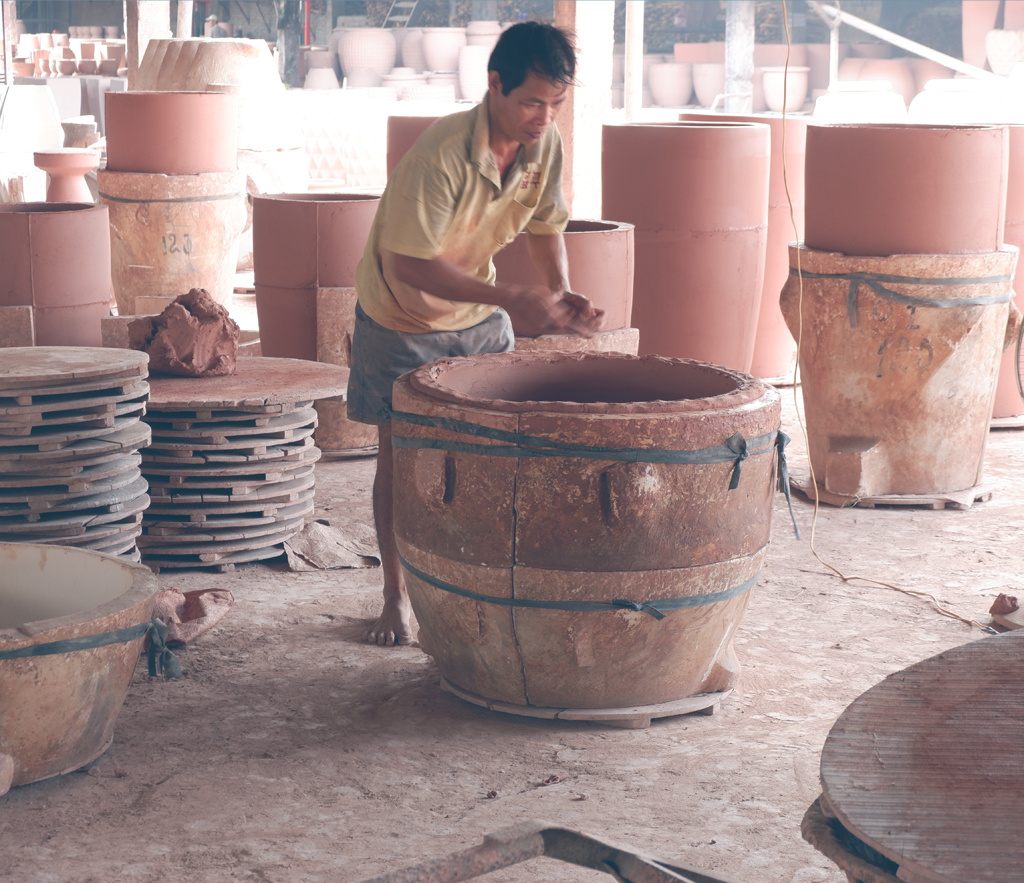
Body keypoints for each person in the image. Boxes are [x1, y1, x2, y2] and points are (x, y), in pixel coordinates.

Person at [346, 21, 603, 647]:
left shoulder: (543, 144)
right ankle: (394, 597)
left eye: (556, 103)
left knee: (496, 453)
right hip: (400, 317)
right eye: (532, 102)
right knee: (399, 457)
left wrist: (561, 290)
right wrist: (510, 296)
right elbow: (409, 263)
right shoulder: (440, 157)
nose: (544, 117)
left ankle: (484, 588)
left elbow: (546, 224)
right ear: (494, 85)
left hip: (474, 319)